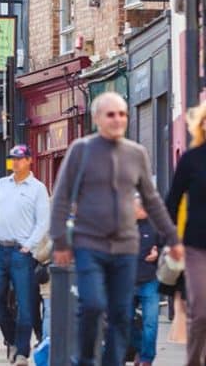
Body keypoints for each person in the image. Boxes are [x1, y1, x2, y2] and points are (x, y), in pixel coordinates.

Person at [50, 92, 182, 366]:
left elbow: (152, 200)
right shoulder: (81, 150)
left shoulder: (136, 154)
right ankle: (85, 359)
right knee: (94, 305)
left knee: (121, 313)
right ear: (97, 118)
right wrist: (61, 241)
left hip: (125, 247)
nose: (118, 119)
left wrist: (172, 238)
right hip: (89, 244)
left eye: (122, 114)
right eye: (111, 114)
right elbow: (61, 197)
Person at [0, 144, 50, 365]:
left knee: (26, 304)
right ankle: (11, 340)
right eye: (13, 159)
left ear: (30, 160)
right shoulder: (1, 184)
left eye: (20, 158)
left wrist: (29, 246)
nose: (15, 163)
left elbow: (43, 222)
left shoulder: (38, 188)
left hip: (22, 253)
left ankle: (22, 352)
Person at [167, 102, 206, 366]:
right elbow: (171, 202)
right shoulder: (191, 159)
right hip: (196, 246)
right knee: (201, 311)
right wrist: (171, 241)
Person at [130, 195, 165, 366]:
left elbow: (166, 248)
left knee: (151, 323)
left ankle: (146, 359)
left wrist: (157, 253)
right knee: (124, 320)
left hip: (150, 281)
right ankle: (140, 348)